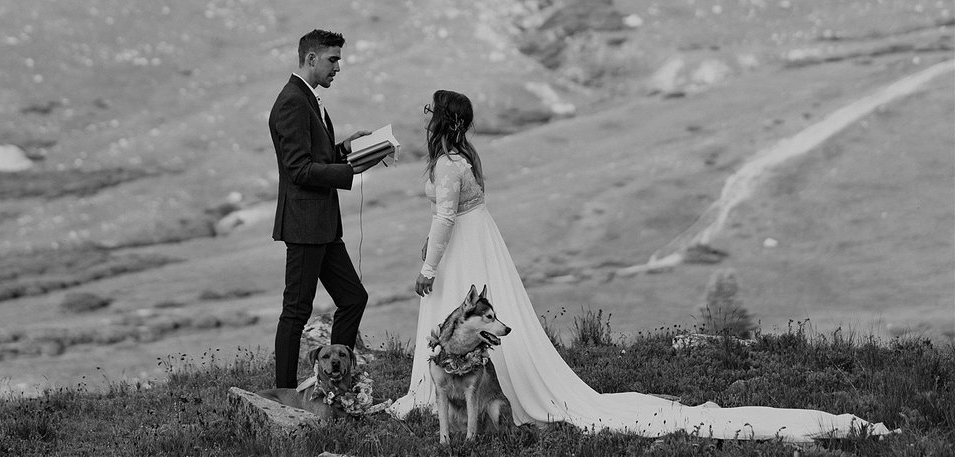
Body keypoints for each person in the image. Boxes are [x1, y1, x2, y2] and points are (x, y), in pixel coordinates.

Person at [388, 90, 891, 442]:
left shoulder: (449, 167)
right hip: (476, 241)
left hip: (460, 245)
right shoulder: (461, 161)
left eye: (430, 109)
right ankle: (454, 391)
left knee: (455, 314)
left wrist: (429, 268)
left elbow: (444, 217)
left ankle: (451, 395)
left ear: (443, 120)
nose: (423, 113)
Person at [268, 29, 390, 389]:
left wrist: (345, 149)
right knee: (296, 312)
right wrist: (349, 170)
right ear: (311, 59)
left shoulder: (308, 98)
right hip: (305, 225)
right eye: (333, 59)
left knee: (353, 298)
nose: (338, 67)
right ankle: (284, 393)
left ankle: (338, 379)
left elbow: (314, 157)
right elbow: (298, 169)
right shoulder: (292, 101)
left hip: (322, 225)